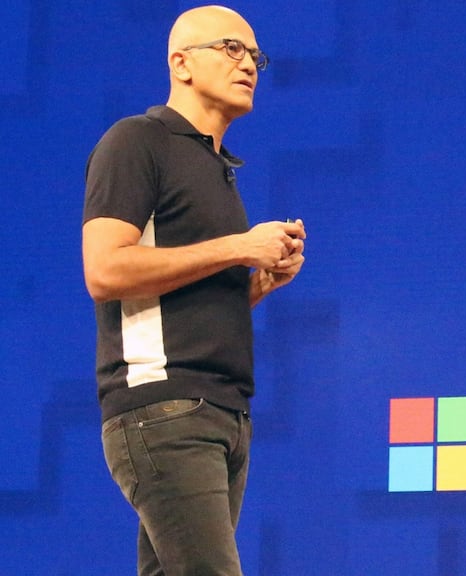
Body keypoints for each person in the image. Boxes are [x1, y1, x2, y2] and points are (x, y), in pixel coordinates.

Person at [81, 6, 305, 575]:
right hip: (166, 411)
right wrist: (236, 248)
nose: (249, 64)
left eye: (256, 56)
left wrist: (252, 285)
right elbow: (104, 271)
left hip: (223, 415)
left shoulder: (216, 167)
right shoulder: (137, 141)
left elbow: (176, 298)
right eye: (232, 49)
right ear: (181, 63)